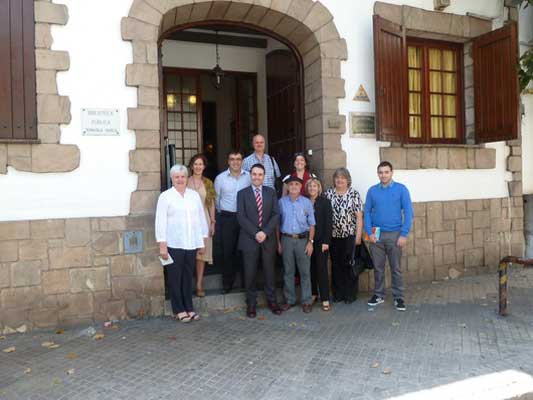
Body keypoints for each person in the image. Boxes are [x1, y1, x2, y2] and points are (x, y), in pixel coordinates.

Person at [155, 164, 208, 323]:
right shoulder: (165, 196)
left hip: (191, 243)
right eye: (176, 177)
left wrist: (202, 240)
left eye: (183, 176)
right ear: (172, 179)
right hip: (174, 243)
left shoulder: (193, 195)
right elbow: (160, 221)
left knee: (187, 277)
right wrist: (162, 244)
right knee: (175, 278)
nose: (180, 179)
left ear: (187, 178)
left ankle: (189, 308)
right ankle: (178, 310)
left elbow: (200, 218)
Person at [364, 161, 413, 312]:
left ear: (392, 173)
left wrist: (404, 234)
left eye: (386, 172)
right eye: (380, 172)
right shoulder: (372, 191)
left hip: (395, 234)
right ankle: (378, 295)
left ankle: (399, 297)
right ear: (377, 173)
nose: (383, 175)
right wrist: (369, 233)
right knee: (378, 268)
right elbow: (366, 212)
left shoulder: (401, 189)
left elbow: (409, 213)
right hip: (376, 235)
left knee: (395, 268)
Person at [237, 163, 282, 318]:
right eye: (254, 174)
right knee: (250, 274)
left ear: (264, 176)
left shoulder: (271, 192)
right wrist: (256, 232)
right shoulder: (242, 193)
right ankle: (251, 304)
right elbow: (241, 217)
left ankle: (272, 302)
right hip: (249, 239)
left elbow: (276, 214)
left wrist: (265, 232)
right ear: (251, 175)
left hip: (268, 239)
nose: (257, 177)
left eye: (260, 174)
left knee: (270, 273)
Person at [213, 150, 251, 293]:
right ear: (228, 161)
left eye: (238, 159)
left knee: (244, 251)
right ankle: (227, 284)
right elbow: (217, 200)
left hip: (246, 218)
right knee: (227, 251)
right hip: (227, 218)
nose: (235, 162)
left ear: (242, 161)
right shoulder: (220, 178)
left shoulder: (249, 177)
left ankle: (245, 282)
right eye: (232, 159)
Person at [277, 176, 316, 313]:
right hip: (286, 239)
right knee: (288, 271)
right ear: (287, 187)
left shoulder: (306, 203)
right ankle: (289, 300)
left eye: (296, 184)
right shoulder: (281, 202)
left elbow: (312, 225)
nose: (293, 186)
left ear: (301, 187)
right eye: (291, 184)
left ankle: (306, 301)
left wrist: (310, 242)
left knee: (305, 272)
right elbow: (277, 224)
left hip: (303, 240)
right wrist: (279, 242)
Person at [324, 168, 363, 304]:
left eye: (343, 178)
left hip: (350, 236)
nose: (340, 180)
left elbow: (359, 217)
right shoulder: (328, 194)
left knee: (349, 265)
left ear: (348, 180)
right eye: (337, 177)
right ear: (334, 180)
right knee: (336, 265)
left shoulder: (354, 194)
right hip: (333, 237)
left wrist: (358, 236)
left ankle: (350, 294)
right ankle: (338, 294)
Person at [187, 154, 216, 298]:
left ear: (204, 167)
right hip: (187, 221)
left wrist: (212, 222)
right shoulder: (184, 182)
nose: (198, 167)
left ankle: (199, 284)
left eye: (201, 164)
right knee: (188, 253)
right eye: (195, 164)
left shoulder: (208, 183)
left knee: (201, 254)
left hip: (203, 220)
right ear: (191, 166)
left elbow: (211, 204)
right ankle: (186, 283)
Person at [306, 177, 333, 311]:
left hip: (321, 241)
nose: (312, 189)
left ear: (319, 188)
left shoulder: (325, 202)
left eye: (314, 186)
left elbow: (329, 223)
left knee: (321, 269)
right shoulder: (304, 201)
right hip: (307, 241)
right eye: (310, 186)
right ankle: (313, 294)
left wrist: (326, 241)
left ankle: (325, 298)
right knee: (310, 269)